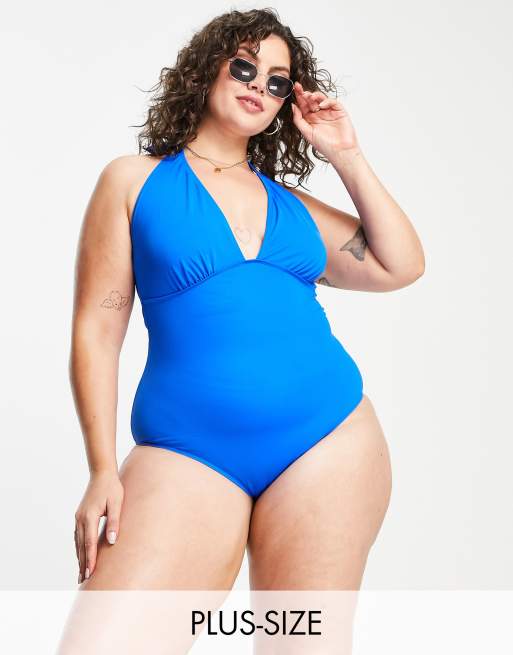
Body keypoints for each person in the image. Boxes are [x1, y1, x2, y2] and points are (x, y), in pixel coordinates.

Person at [69, 7, 423, 600]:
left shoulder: (294, 207)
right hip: (186, 451)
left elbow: (401, 264)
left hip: (327, 442)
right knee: (104, 637)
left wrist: (346, 154)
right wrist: (102, 468)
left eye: (278, 82)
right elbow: (96, 333)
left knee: (302, 636)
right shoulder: (133, 182)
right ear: (208, 68)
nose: (260, 85)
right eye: (244, 67)